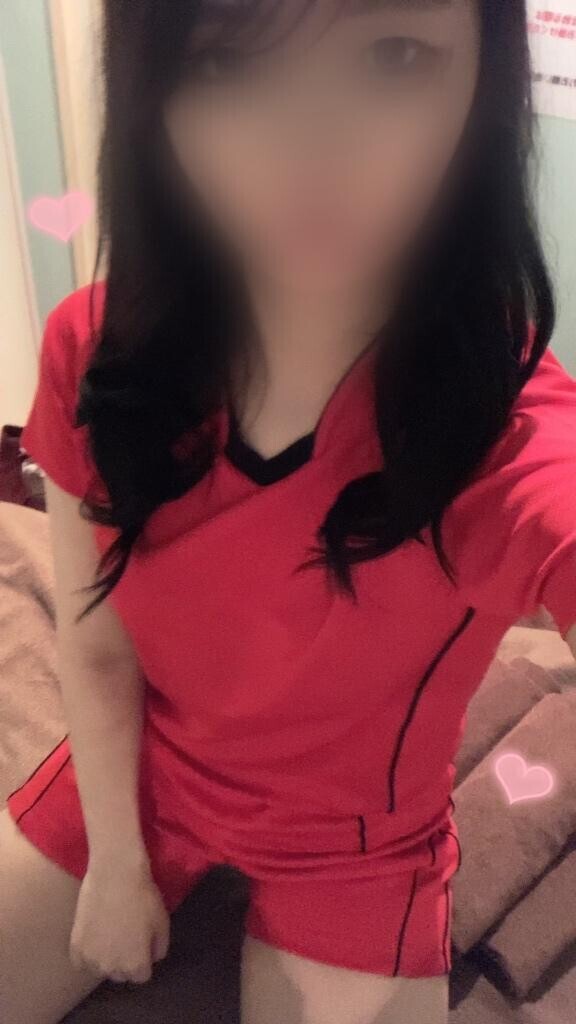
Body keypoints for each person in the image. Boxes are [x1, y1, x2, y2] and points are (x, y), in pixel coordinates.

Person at [1, 1, 575, 1022]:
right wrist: (117, 863)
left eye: (393, 56)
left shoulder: (505, 421)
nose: (312, 153)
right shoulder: (101, 352)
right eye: (228, 62)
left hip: (359, 844)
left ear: (482, 78)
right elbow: (95, 644)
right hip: (146, 775)